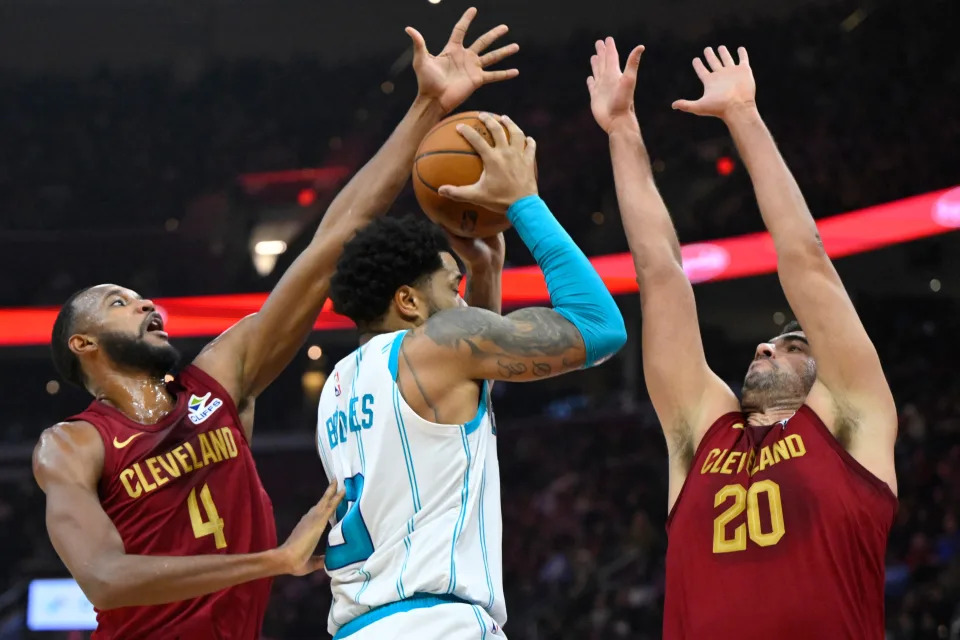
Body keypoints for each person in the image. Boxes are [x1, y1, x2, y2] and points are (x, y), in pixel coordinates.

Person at [32, 8, 520, 638]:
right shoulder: (73, 444)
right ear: (83, 342)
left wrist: (426, 106)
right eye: (120, 302)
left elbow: (332, 242)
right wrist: (275, 561)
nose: (148, 305)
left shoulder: (219, 381)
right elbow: (102, 575)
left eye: (143, 298)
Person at [587, 38, 897, 639]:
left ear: (822, 376)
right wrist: (622, 128)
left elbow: (806, 260)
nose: (765, 347)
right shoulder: (703, 431)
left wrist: (743, 116)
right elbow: (660, 275)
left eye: (792, 345)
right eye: (769, 342)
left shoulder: (851, 420)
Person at [315, 111, 626, 639]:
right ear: (409, 301)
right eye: (451, 287)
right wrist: (524, 203)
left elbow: (465, 402)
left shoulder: (336, 388)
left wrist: (485, 272)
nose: (460, 301)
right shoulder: (433, 347)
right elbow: (599, 326)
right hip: (439, 626)